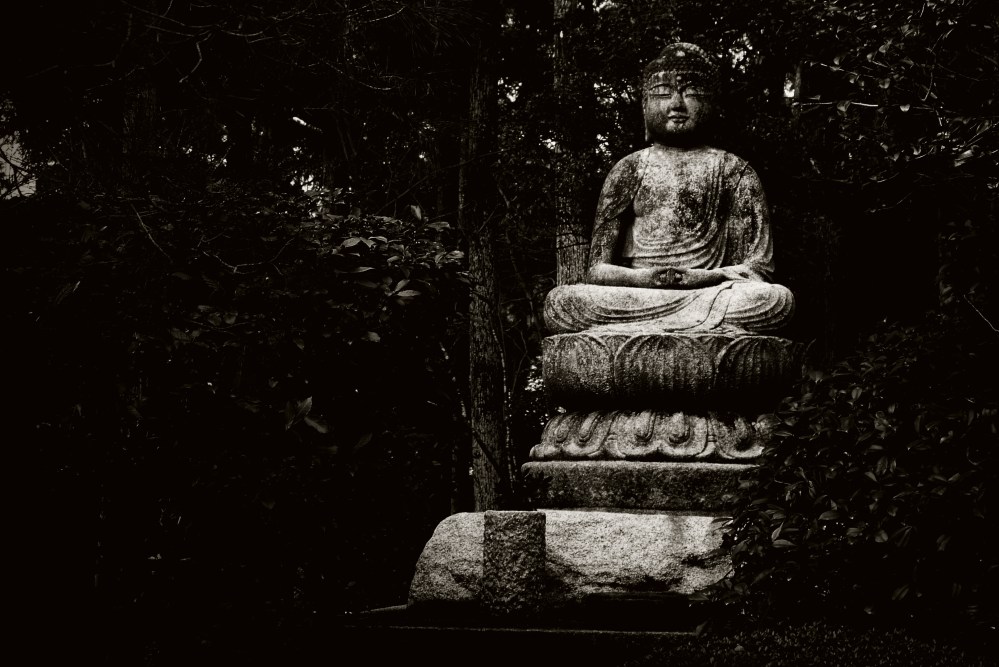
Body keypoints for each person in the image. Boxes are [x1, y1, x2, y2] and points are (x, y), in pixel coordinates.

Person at [544, 43, 794, 335]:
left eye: (692, 94)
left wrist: (699, 278)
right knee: (564, 303)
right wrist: (648, 279)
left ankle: (655, 333)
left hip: (708, 292)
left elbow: (756, 270)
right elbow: (598, 270)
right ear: (645, 104)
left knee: (773, 301)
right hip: (640, 293)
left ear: (713, 105)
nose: (677, 104)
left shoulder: (734, 171)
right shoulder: (629, 169)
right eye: (663, 93)